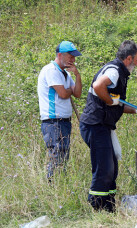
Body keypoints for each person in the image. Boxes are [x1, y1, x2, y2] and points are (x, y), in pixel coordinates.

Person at [80, 40, 137, 212]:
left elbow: (116, 103)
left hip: (103, 125)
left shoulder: (120, 72)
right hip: (95, 125)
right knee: (104, 167)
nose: (136, 63)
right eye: (136, 60)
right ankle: (97, 207)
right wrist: (109, 100)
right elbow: (98, 87)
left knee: (112, 167)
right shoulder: (114, 71)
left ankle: (109, 205)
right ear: (128, 58)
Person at [37, 41, 82, 181]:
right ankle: (51, 186)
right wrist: (70, 91)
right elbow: (63, 94)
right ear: (60, 55)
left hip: (64, 121)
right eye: (70, 56)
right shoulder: (51, 70)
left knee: (63, 156)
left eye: (74, 57)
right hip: (53, 121)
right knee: (56, 155)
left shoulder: (66, 74)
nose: (73, 60)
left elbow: (78, 93)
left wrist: (77, 75)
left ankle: (58, 185)